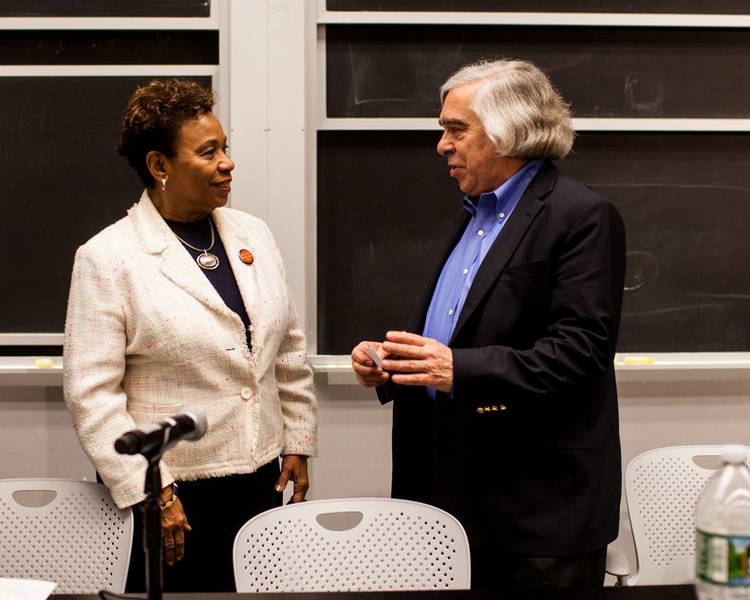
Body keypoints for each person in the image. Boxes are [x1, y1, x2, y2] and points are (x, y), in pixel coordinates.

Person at [351, 58, 626, 589]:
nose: (442, 145)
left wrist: (455, 368)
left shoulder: (580, 216)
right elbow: (464, 333)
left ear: (510, 132)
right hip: (444, 493)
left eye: (456, 129)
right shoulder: (474, 213)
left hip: (533, 510)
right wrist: (395, 365)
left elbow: (582, 352)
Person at [63, 79, 317, 593]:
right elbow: (92, 396)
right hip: (171, 494)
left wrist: (297, 439)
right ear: (160, 166)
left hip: (259, 476)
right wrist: (151, 492)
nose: (228, 163)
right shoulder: (109, 259)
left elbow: (286, 346)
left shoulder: (254, 235)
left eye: (226, 147)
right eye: (209, 152)